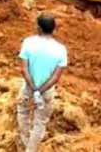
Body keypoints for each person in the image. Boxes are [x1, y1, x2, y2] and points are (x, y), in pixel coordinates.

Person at [17, 14, 67, 152]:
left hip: (28, 88)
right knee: (40, 122)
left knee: (23, 113)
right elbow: (56, 77)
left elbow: (24, 69)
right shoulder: (61, 50)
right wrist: (40, 91)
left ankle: (25, 143)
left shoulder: (28, 42)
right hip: (47, 93)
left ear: (38, 28)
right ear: (53, 29)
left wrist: (33, 89)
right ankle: (30, 150)